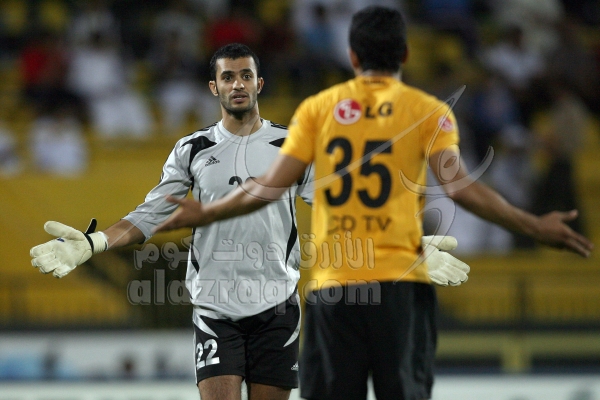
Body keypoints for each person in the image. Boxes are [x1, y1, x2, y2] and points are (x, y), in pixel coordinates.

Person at [150, 7, 594, 400]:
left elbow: (267, 186)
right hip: (400, 284)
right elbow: (460, 188)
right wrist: (534, 226)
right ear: (405, 55)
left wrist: (206, 211)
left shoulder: (318, 110)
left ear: (353, 56)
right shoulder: (427, 111)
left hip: (335, 288)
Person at [29, 43, 469, 400]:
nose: (237, 84)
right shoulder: (192, 149)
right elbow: (152, 213)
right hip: (215, 308)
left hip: (277, 306)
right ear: (213, 87)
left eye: (245, 76)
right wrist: (94, 243)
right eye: (227, 77)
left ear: (259, 83)